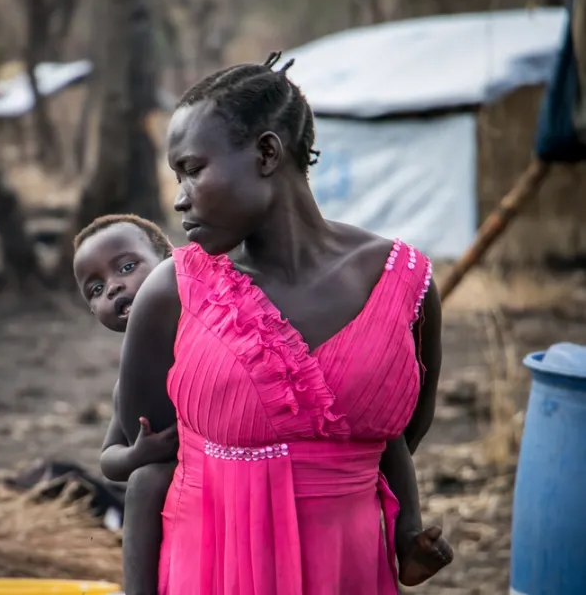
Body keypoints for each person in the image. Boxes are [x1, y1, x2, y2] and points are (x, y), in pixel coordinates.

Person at [115, 52, 454, 595]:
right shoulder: (173, 292)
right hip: (210, 571)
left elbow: (401, 436)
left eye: (193, 170)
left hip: (346, 571)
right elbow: (141, 464)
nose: (178, 200)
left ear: (267, 153)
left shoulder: (403, 286)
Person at [72, 214, 179, 595]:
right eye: (96, 289)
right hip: (174, 482)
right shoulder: (130, 383)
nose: (114, 287)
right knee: (144, 482)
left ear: (171, 261)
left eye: (127, 267)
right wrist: (138, 454)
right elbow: (108, 459)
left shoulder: (209, 337)